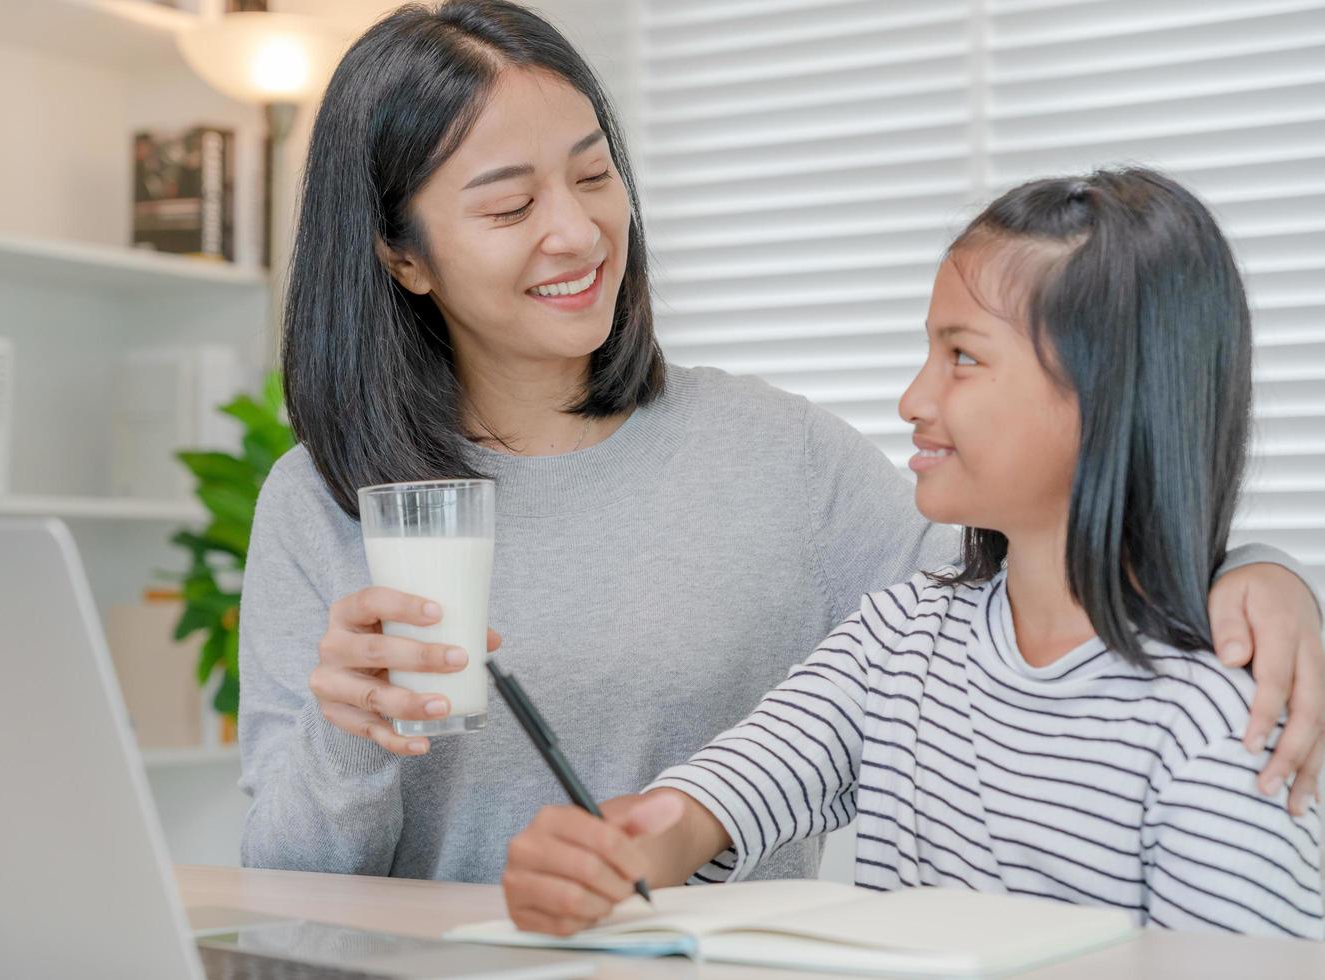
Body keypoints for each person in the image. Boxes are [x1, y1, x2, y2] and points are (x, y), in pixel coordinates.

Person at [237, 0, 1325, 886]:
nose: (576, 230)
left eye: (593, 173)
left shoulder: (778, 459)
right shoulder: (322, 499)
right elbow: (279, 885)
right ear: (402, 254)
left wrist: (1254, 571)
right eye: (509, 204)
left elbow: (1032, 578)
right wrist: (348, 736)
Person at [499, 169, 1324, 939]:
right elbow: (730, 792)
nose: (913, 400)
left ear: (1111, 397)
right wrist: (620, 851)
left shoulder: (1222, 722)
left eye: (963, 357)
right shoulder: (902, 636)